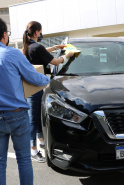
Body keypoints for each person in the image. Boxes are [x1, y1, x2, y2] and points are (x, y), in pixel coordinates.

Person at [0, 18, 50, 185]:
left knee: (0, 164)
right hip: (17, 115)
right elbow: (33, 77)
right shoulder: (12, 54)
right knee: (24, 160)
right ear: (4, 35)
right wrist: (46, 79)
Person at [22, 21, 75, 162]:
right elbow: (56, 62)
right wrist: (67, 55)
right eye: (40, 31)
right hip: (36, 87)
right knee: (33, 119)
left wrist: (56, 47)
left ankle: (41, 142)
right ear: (36, 32)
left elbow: (42, 51)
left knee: (37, 117)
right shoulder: (36, 47)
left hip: (30, 87)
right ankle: (33, 151)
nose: (41, 34)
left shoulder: (28, 46)